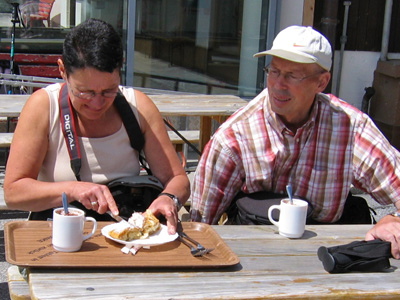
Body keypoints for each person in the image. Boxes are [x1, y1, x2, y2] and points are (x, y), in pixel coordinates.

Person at [190, 25, 400, 258]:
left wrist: (392, 219)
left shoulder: (350, 128)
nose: (279, 84)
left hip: (328, 255)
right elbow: (200, 226)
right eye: (274, 71)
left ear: (322, 83)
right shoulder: (235, 136)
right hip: (251, 255)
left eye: (292, 75)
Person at [4, 18, 190, 234]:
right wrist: (73, 189)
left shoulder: (138, 107)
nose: (97, 103)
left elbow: (178, 179)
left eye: (109, 91)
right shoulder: (44, 107)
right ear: (62, 70)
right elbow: (13, 192)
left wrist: (169, 198)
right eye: (86, 92)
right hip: (60, 236)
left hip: (126, 234)